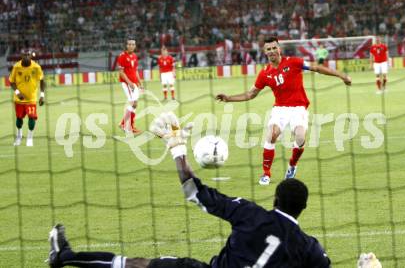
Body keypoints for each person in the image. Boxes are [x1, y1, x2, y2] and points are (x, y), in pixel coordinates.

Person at [47, 112, 331, 268]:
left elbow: (194, 192)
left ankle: (65, 257)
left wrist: (177, 148)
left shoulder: (250, 214)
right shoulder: (310, 248)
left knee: (136, 264)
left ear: (275, 198)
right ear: (303, 208)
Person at [216, 37, 351, 185]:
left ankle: (292, 166)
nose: (272, 51)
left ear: (279, 49)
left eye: (274, 48)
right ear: (265, 52)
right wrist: (228, 98)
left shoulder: (294, 62)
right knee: (271, 134)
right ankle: (266, 174)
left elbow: (317, 68)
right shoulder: (264, 73)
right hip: (280, 109)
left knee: (300, 138)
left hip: (298, 108)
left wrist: (341, 75)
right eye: (269, 49)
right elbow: (250, 94)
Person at [10, 49, 45, 147]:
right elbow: (11, 81)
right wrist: (17, 93)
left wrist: (42, 95)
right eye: (24, 55)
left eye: (28, 55)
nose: (26, 56)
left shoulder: (36, 67)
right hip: (19, 100)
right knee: (19, 120)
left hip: (31, 99)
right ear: (21, 56)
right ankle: (19, 136)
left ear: (31, 56)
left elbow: (42, 80)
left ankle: (30, 139)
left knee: (32, 118)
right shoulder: (16, 67)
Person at [117, 37, 144, 134]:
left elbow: (135, 71)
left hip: (134, 83)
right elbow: (121, 72)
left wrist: (140, 83)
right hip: (127, 83)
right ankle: (129, 126)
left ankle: (123, 123)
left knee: (135, 104)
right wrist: (129, 83)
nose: (131, 46)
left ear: (135, 46)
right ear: (126, 45)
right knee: (133, 104)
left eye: (133, 44)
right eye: (129, 44)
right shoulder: (122, 56)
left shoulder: (134, 56)